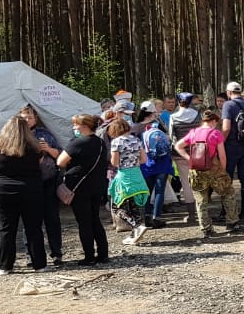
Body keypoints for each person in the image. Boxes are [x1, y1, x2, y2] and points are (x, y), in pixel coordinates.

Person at [0, 115, 47, 274]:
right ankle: (39, 264)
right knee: (33, 228)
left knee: (7, 229)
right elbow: (39, 162)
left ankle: (5, 266)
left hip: (4, 190)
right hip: (30, 189)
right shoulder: (35, 148)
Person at [173, 109, 242, 237]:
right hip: (214, 169)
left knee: (200, 199)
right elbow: (222, 154)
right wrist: (224, 169)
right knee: (228, 193)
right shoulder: (215, 134)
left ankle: (206, 228)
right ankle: (232, 222)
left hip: (197, 170)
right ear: (213, 121)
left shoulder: (193, 133)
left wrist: (189, 159)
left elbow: (178, 146)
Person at [57, 114, 110, 266]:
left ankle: (89, 256)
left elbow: (60, 161)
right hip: (97, 186)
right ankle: (103, 253)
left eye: (76, 125)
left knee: (84, 222)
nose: (74, 128)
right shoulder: (100, 142)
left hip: (79, 187)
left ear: (84, 126)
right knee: (95, 219)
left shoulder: (77, 143)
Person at [19, 105, 65, 267]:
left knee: (52, 218)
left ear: (36, 119)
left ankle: (56, 253)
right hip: (28, 182)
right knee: (30, 220)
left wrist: (48, 149)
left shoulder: (44, 134)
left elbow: (59, 154)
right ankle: (31, 255)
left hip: (48, 181)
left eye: (30, 117)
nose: (27, 120)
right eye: (24, 117)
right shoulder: (17, 136)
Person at [107, 118, 150, 245]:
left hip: (124, 177)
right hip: (137, 175)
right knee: (135, 206)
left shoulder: (116, 142)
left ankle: (137, 226)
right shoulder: (136, 140)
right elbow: (144, 160)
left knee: (117, 207)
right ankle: (134, 235)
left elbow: (114, 162)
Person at [221, 81, 244, 223]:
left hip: (231, 145)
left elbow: (226, 127)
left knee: (227, 178)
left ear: (229, 92)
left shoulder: (228, 105)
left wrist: (220, 143)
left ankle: (227, 211)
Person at [136, 101, 172, 227]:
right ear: (152, 112)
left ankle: (146, 217)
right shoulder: (158, 125)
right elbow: (169, 138)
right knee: (159, 191)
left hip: (146, 162)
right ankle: (157, 217)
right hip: (162, 161)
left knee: (147, 190)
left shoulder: (136, 127)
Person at [168, 92, 201, 224]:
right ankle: (202, 211)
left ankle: (191, 214)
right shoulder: (197, 114)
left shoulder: (173, 117)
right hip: (197, 152)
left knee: (186, 183)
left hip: (180, 154)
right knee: (199, 181)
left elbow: (171, 136)